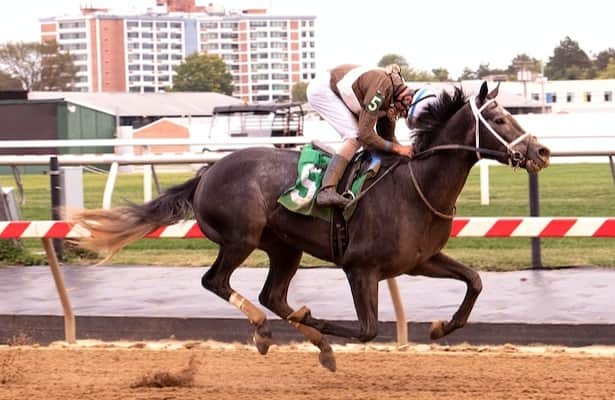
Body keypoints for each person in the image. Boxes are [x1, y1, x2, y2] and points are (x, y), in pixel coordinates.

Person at [306, 64, 415, 208]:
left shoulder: (394, 94)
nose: (400, 114)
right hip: (324, 90)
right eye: (403, 111)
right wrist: (399, 149)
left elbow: (388, 138)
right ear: (406, 99)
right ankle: (326, 190)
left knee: (372, 143)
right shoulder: (380, 91)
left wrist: (406, 152)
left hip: (341, 88)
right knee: (355, 136)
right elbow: (366, 134)